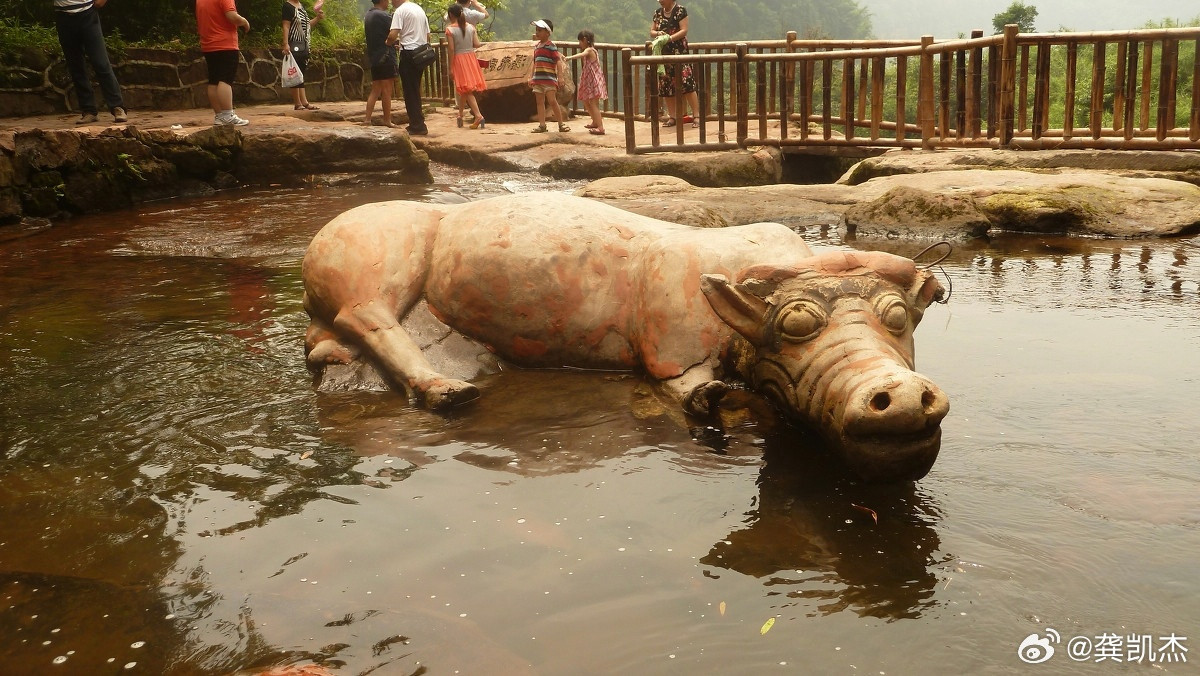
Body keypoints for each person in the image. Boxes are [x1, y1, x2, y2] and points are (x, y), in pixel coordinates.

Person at [53, 0, 127, 125]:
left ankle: (117, 107)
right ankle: (88, 111)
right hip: (63, 17)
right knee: (76, 66)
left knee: (101, 62)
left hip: (87, 14)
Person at [197, 0, 252, 126]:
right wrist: (244, 21)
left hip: (208, 45)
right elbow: (232, 16)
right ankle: (228, 115)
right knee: (225, 80)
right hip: (225, 44)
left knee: (214, 80)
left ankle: (219, 116)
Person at [386, 0, 432, 136]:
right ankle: (418, 121)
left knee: (409, 91)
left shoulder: (400, 11)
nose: (390, 2)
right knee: (415, 89)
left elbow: (392, 35)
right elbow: (428, 35)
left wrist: (387, 43)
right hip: (421, 55)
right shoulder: (419, 9)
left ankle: (417, 125)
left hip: (408, 54)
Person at [650, 0, 699, 127]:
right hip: (664, 55)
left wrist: (669, 38)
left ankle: (696, 116)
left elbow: (684, 30)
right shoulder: (657, 13)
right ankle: (673, 116)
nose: (660, 1)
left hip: (679, 53)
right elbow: (652, 31)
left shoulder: (680, 10)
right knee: (666, 86)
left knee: (687, 84)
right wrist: (658, 34)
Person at [446, 4, 486, 129]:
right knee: (465, 88)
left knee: (466, 89)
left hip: (459, 59)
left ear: (451, 15)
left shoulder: (450, 29)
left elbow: (451, 49)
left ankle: (478, 115)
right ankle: (460, 114)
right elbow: (477, 44)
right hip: (471, 58)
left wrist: (451, 67)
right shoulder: (471, 27)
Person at [528, 19, 569, 134]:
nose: (537, 32)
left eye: (540, 30)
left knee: (552, 101)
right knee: (539, 102)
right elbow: (534, 63)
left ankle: (561, 124)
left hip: (549, 79)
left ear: (548, 32)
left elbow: (558, 61)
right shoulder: (536, 47)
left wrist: (560, 77)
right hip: (538, 79)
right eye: (537, 30)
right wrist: (531, 77)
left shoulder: (551, 46)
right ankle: (542, 125)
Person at [282, 0, 324, 110]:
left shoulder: (301, 6)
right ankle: (297, 103)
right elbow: (286, 26)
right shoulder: (287, 6)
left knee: (301, 73)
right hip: (294, 44)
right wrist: (286, 44)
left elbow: (307, 26)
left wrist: (318, 18)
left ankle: (304, 102)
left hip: (304, 45)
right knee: (295, 72)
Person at [565, 30, 606, 135]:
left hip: (593, 81)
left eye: (580, 41)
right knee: (585, 101)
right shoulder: (590, 50)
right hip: (588, 80)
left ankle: (600, 127)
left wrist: (569, 57)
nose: (579, 44)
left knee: (593, 104)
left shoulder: (589, 50)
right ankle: (595, 122)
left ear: (585, 40)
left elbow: (582, 54)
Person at [363, 0, 396, 127]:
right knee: (387, 90)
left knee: (376, 89)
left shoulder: (369, 15)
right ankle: (387, 120)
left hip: (375, 57)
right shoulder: (383, 16)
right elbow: (394, 31)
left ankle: (367, 119)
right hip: (386, 57)